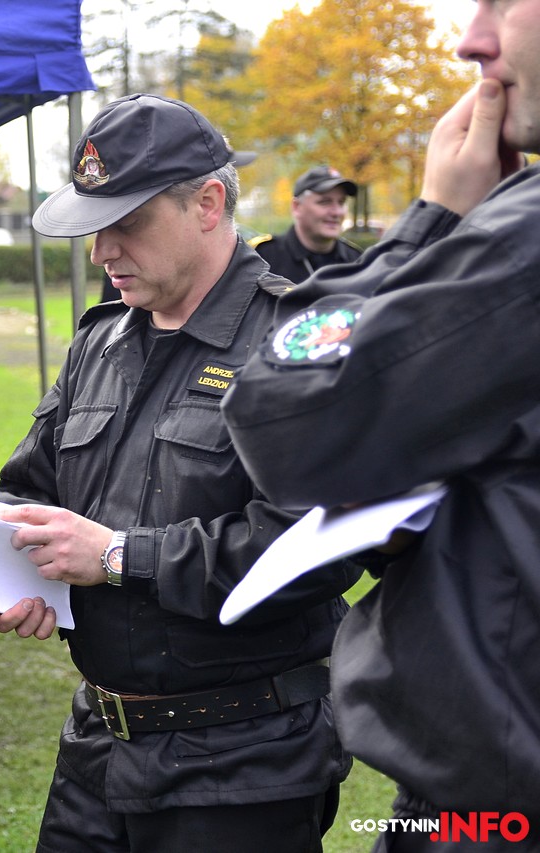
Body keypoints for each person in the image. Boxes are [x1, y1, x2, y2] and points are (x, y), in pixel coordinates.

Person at [0, 94, 362, 853]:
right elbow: (30, 483)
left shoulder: (297, 343)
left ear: (208, 204)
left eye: (126, 222)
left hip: (243, 764)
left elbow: (316, 548)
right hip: (98, 750)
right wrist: (10, 566)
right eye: (95, 227)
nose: (101, 252)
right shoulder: (102, 342)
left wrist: (118, 555)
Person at [221, 4, 540, 844]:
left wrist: (431, 221)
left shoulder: (527, 237)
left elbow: (281, 412)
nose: (471, 40)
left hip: (497, 810)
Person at [251, 166, 362, 283]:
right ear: (297, 207)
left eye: (341, 202)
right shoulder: (263, 257)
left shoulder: (357, 262)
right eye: (325, 202)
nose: (336, 212)